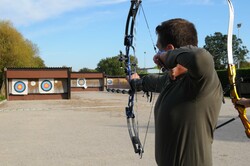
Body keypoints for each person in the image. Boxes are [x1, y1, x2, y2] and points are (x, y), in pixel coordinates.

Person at [129, 18, 223, 166]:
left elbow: (199, 56)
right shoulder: (171, 79)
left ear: (170, 50)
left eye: (158, 50)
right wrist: (135, 81)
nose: (156, 56)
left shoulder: (201, 81)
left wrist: (167, 57)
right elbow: (150, 81)